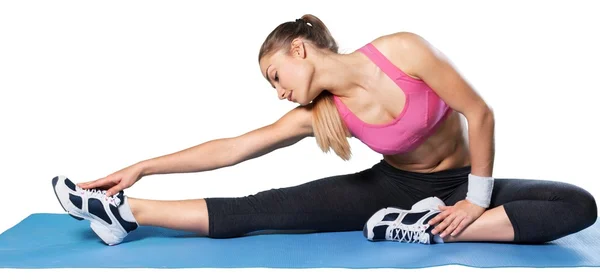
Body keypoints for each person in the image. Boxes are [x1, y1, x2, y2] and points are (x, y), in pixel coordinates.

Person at [51, 14, 597, 246]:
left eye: (276, 76)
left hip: (462, 185)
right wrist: (142, 168)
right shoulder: (321, 113)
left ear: (299, 49)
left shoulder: (401, 51)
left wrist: (477, 201)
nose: (279, 90)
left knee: (575, 206)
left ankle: (417, 227)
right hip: (393, 189)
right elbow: (236, 148)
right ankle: (126, 213)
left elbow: (480, 113)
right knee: (264, 209)